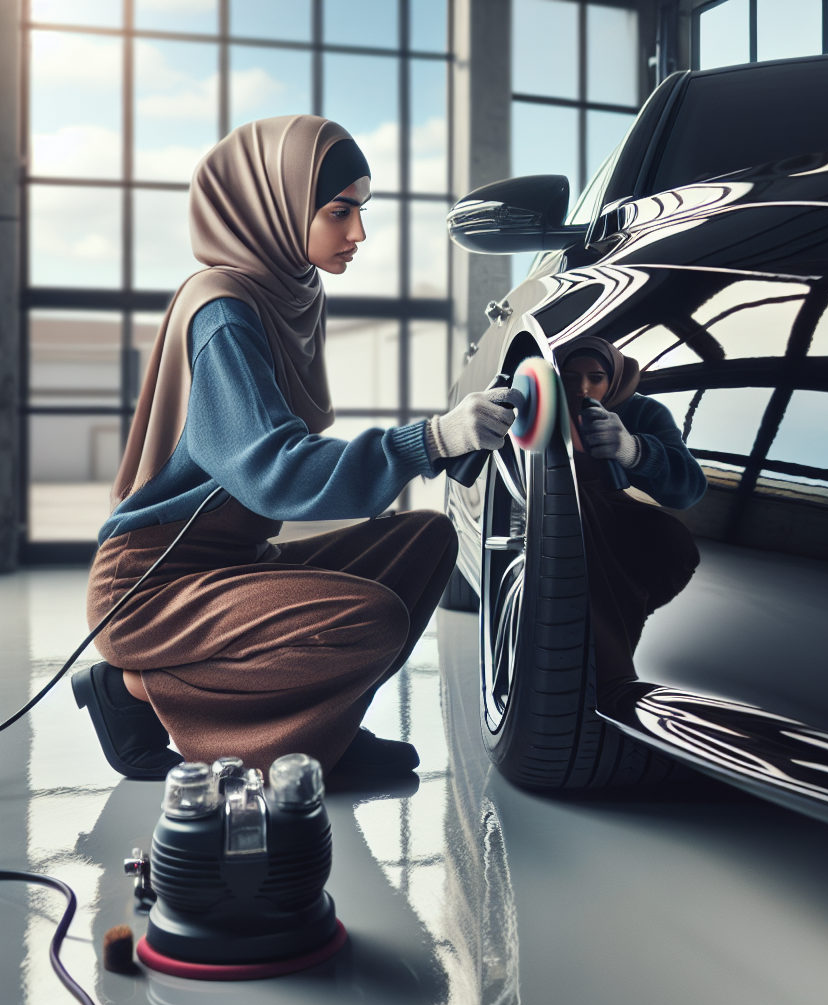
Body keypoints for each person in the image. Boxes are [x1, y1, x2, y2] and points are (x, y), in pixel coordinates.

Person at [74, 115, 515, 780]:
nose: (358, 233)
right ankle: (127, 692)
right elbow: (276, 474)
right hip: (150, 588)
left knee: (426, 542)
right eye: (340, 212)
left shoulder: (283, 293)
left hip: (231, 566)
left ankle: (322, 734)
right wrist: (432, 437)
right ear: (272, 204)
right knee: (369, 619)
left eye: (361, 211)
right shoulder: (223, 310)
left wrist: (458, 443)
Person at [558, 336, 706, 690]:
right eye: (570, 376)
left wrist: (633, 450)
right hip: (550, 514)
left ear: (614, 378)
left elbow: (689, 488)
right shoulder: (539, 406)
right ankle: (611, 675)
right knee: (581, 521)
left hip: (613, 510)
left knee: (672, 544)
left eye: (596, 377)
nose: (583, 387)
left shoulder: (645, 412)